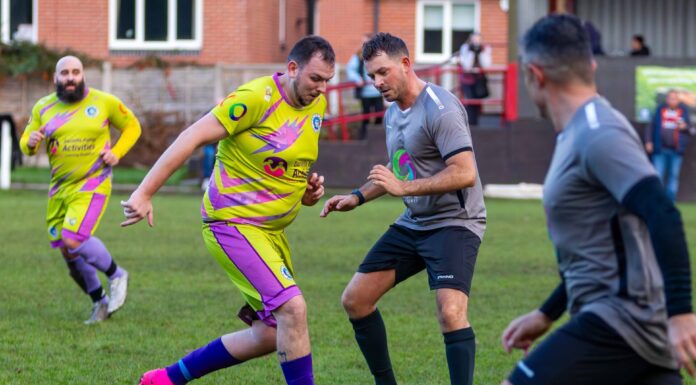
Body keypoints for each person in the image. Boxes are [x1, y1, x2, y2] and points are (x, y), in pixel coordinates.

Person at [122, 35, 335, 385]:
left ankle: (165, 379)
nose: (323, 88)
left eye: (328, 80)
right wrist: (145, 192)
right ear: (292, 68)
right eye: (316, 78)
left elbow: (284, 164)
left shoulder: (316, 105)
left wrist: (306, 194)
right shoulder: (254, 98)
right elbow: (190, 137)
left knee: (271, 333)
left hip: (271, 234)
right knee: (293, 310)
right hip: (233, 224)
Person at [501, 14, 696, 385]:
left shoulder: (599, 132)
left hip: (621, 321)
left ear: (535, 75)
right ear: (590, 65)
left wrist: (682, 313)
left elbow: (662, 212)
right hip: (628, 328)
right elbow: (594, 252)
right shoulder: (578, 132)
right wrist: (547, 313)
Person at [321, 32, 486, 385]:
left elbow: (465, 173)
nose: (378, 83)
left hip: (454, 223)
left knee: (451, 313)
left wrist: (403, 188)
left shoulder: (440, 108)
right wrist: (358, 197)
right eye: (372, 77)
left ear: (406, 64)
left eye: (383, 72)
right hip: (414, 223)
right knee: (356, 299)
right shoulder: (393, 113)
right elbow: (400, 170)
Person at [19, 56, 140, 324]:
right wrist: (31, 142)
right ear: (55, 78)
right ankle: (100, 302)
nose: (70, 77)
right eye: (64, 73)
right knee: (67, 250)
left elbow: (133, 126)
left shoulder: (104, 102)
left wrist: (116, 153)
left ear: (83, 74)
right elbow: (26, 141)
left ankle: (117, 274)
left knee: (73, 238)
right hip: (60, 188)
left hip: (93, 183)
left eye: (75, 72)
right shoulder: (43, 107)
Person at [645, 89, 690, 201]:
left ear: (678, 100)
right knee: (658, 176)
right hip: (660, 149)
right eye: (670, 98)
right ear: (667, 99)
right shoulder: (660, 110)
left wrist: (685, 127)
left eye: (674, 98)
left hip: (676, 151)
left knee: (673, 177)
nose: (672, 100)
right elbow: (650, 126)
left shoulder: (684, 111)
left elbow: (689, 129)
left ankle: (670, 204)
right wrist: (648, 141)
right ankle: (658, 202)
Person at [346, 33, 385, 139]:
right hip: (365, 92)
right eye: (362, 42)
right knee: (366, 117)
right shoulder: (358, 56)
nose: (364, 44)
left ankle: (377, 138)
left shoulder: (378, 55)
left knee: (379, 114)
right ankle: (364, 138)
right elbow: (350, 69)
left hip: (377, 91)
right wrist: (358, 79)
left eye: (366, 42)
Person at [458, 32, 491, 126]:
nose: (476, 42)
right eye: (474, 40)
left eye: (478, 40)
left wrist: (480, 52)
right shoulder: (465, 48)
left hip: (479, 80)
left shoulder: (485, 48)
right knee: (470, 101)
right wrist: (472, 52)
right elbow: (467, 66)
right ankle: (470, 124)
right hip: (467, 79)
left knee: (478, 101)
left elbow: (486, 65)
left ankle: (476, 123)